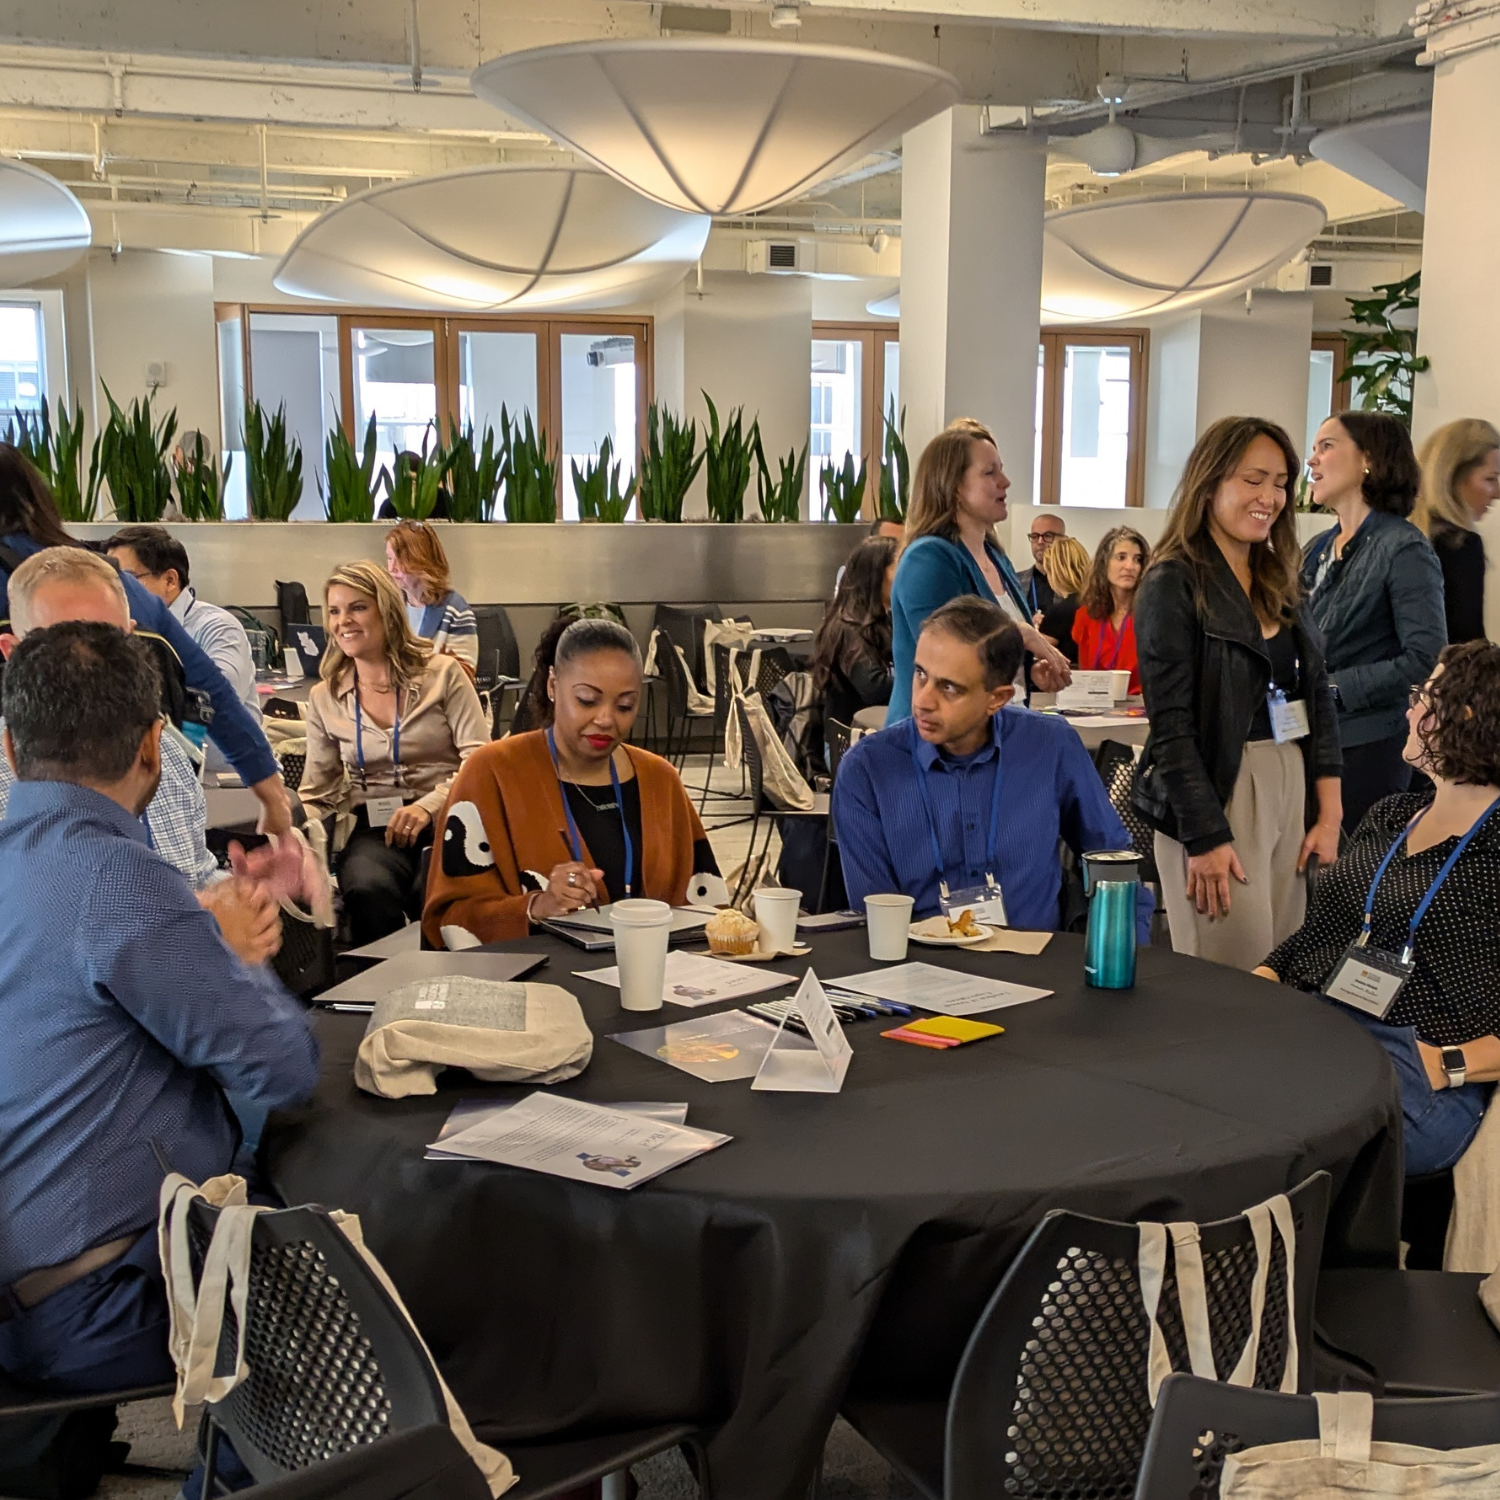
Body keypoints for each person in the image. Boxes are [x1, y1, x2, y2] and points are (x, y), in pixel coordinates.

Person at [0, 621, 317, 1478]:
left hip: (24, 1270)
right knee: (359, 1300)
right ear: (152, 744)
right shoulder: (114, 879)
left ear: (9, 742)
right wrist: (239, 955)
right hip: (96, 1302)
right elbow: (283, 1066)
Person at [1256, 643, 1500, 1176]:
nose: (1410, 710)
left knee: (1269, 1125)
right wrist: (1259, 979)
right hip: (1331, 1026)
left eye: (1424, 697)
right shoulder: (1393, 815)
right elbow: (1324, 932)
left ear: (1466, 715)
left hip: (1423, 1066)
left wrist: (1449, 1065)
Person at [1133, 416, 1344, 970]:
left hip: (1288, 782)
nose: (1270, 497)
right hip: (1220, 792)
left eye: (1279, 482)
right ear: (1210, 484)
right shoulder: (1171, 583)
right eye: (1254, 479)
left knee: (1285, 973)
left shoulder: (1279, 577)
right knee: (1230, 982)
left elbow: (1316, 695)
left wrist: (1329, 814)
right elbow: (1171, 725)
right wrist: (1203, 836)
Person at [0, 443, 290, 835]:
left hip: (33, 809)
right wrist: (271, 795)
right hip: (144, 796)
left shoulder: (26, 584)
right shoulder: (111, 578)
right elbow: (208, 687)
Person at [833, 597, 1153, 939]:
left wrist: (1121, 952)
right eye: (920, 674)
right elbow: (875, 919)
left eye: (949, 687)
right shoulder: (867, 770)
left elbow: (1113, 862)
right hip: (921, 969)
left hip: (1039, 965)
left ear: (997, 698)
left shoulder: (1050, 745)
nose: (923, 700)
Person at [424, 618, 718, 947]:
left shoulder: (659, 779)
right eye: (587, 701)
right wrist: (537, 907)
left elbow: (708, 906)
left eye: (625, 706)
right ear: (552, 686)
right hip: (537, 987)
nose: (606, 719)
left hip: (658, 978)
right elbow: (449, 919)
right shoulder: (491, 774)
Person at [0, 547, 218, 889]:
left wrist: (250, 892)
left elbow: (198, 880)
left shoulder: (168, 756)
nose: (88, 668)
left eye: (110, 645)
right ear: (13, 655)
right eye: (59, 651)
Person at [300, 561, 488, 944]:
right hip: (375, 828)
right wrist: (283, 824)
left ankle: (447, 987)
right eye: (334, 611)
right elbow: (318, 791)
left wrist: (427, 806)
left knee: (432, 894)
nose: (343, 621)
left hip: (449, 819)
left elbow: (480, 761)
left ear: (386, 610)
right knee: (367, 890)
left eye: (357, 607)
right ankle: (383, 989)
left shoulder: (444, 675)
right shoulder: (325, 697)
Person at [1302, 411, 1447, 832]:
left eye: (1326, 447)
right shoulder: (1317, 548)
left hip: (1367, 747)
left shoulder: (1404, 548)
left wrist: (1334, 689)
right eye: (1314, 449)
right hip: (1313, 739)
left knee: (1347, 878)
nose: (1312, 461)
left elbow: (1425, 657)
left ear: (1369, 459)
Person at [888, 420, 1071, 720]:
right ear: (955, 487)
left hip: (994, 735)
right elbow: (947, 654)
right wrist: (1020, 632)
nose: (1006, 481)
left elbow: (994, 661)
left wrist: (1029, 673)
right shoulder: (929, 558)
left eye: (1002, 469)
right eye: (990, 473)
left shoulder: (996, 557)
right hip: (933, 740)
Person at [104, 523, 263, 774]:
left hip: (227, 781)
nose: (120, 592)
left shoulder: (218, 626)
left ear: (169, 580)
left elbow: (215, 699)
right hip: (157, 777)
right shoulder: (125, 627)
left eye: (129, 580)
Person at [1416, 418, 1499, 646]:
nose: (1497, 493)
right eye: (1490, 479)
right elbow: (1466, 647)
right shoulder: (1460, 545)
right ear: (1453, 476)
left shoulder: (1397, 535)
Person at [812, 536, 897, 729]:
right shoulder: (850, 627)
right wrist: (920, 681)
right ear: (875, 575)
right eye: (898, 567)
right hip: (849, 743)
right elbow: (873, 687)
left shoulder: (881, 619)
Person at [385, 520, 480, 673]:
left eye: (400, 560)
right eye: (389, 558)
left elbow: (463, 677)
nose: (391, 568)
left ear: (421, 560)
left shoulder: (456, 611)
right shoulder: (389, 606)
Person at [1071, 525, 1149, 695]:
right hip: (1095, 707)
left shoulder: (1152, 616)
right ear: (1104, 563)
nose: (1130, 566)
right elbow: (1085, 672)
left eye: (1137, 559)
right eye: (1121, 557)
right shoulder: (1086, 616)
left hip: (1141, 709)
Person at [1035, 535, 1091, 665]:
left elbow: (1038, 653)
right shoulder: (1098, 603)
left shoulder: (1060, 612)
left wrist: (1036, 630)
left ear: (1054, 572)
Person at [1018, 512, 1067, 619]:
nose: (1040, 542)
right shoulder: (1014, 581)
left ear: (1064, 540)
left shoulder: (1076, 585)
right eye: (1034, 536)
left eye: (1048, 536)